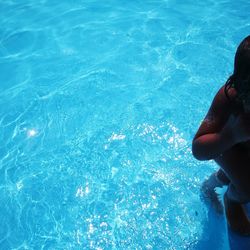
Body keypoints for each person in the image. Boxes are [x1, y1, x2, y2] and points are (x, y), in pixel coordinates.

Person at [192, 35, 250, 236]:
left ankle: (213, 183)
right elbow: (198, 148)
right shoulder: (229, 99)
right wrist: (230, 136)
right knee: (247, 184)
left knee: (236, 174)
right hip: (227, 145)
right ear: (241, 87)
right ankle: (232, 201)